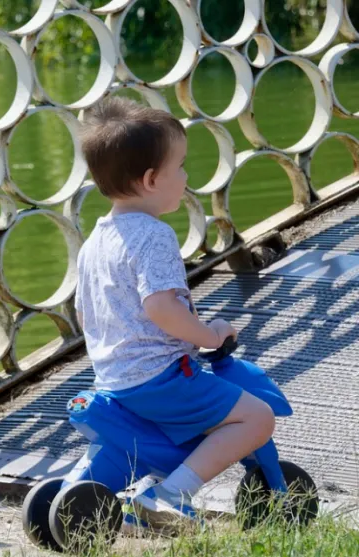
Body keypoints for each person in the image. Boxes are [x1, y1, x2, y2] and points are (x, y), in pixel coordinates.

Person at [74, 96, 275, 523]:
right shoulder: (154, 236)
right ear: (151, 180)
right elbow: (162, 307)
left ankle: (75, 497)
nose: (186, 175)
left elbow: (85, 314)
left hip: (113, 379)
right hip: (159, 380)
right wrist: (208, 334)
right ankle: (172, 493)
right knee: (257, 418)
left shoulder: (96, 242)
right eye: (180, 166)